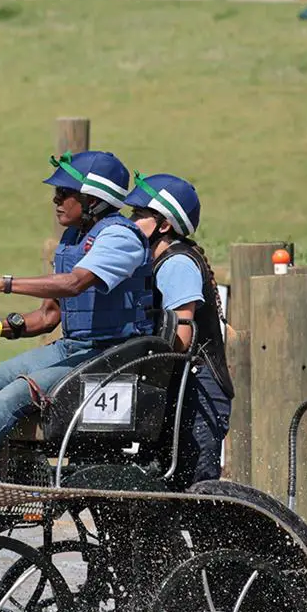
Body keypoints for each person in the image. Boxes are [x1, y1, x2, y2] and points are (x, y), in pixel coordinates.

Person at [0, 150, 153, 477]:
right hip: (72, 349)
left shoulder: (119, 236)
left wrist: (3, 285)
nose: (56, 199)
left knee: (13, 396)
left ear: (93, 200)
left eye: (65, 193)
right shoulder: (72, 237)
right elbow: (48, 317)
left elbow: (74, 283)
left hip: (111, 357)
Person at [122, 172, 233, 485]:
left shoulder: (177, 263)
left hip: (198, 391)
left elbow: (181, 340)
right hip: (176, 386)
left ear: (164, 225)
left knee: (195, 493)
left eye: (139, 215)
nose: (130, 222)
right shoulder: (153, 262)